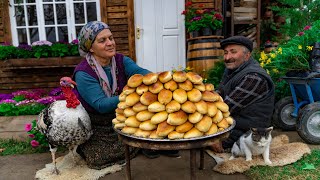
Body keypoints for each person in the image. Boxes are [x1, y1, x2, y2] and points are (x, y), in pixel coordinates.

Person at [73, 21, 178, 169]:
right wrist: (131, 94)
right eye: (102, 41)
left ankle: (146, 142)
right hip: (99, 123)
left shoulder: (121, 60)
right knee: (100, 156)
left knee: (154, 113)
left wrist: (162, 80)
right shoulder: (84, 73)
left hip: (124, 115)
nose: (110, 43)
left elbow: (143, 74)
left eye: (111, 38)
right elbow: (101, 105)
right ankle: (144, 144)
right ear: (90, 47)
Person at [210, 36, 275, 153]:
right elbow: (220, 91)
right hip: (231, 124)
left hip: (247, 133)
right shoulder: (233, 70)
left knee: (195, 135)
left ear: (247, 55)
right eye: (225, 53)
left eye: (233, 52)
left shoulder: (254, 77)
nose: (227, 57)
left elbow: (226, 107)